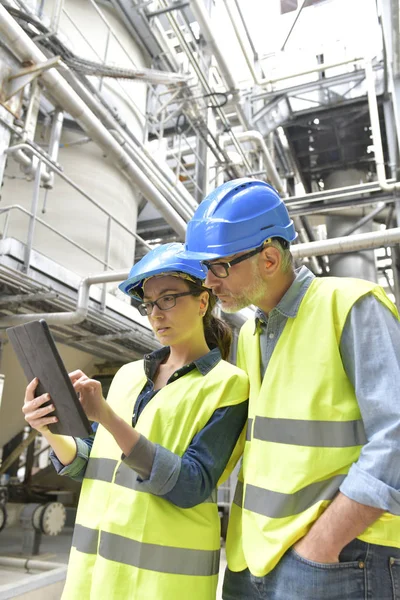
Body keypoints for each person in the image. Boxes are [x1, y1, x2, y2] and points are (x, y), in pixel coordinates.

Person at [181, 178, 400, 600]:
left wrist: (322, 545)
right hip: (253, 560)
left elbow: (395, 439)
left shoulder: (352, 305)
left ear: (268, 258)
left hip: (340, 555)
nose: (209, 282)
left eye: (219, 266)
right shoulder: (249, 336)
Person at [22, 242, 249, 600]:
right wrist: (48, 429)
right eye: (149, 303)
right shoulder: (129, 375)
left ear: (203, 301)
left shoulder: (228, 385)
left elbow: (192, 484)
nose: (156, 313)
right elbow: (88, 462)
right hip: (93, 577)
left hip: (163, 585)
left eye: (169, 299)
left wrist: (109, 418)